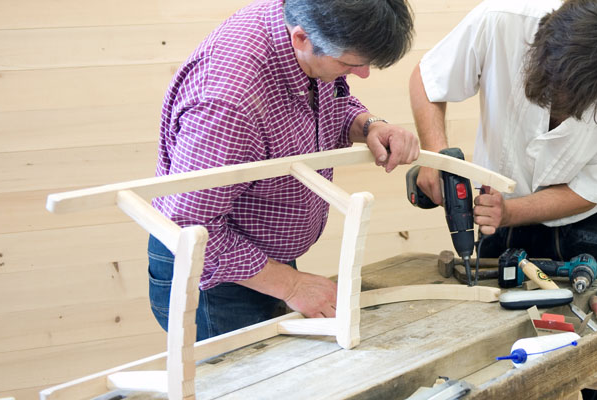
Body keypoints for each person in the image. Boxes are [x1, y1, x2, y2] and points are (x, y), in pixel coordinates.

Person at [409, 0, 597, 398]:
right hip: (498, 221)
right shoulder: (501, 21)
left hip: (587, 223)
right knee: (501, 368)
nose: (556, 106)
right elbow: (426, 79)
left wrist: (511, 212)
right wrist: (435, 156)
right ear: (539, 52)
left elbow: (590, 191)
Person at [148, 0, 418, 341]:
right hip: (212, 281)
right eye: (351, 64)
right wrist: (291, 285)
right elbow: (188, 229)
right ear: (302, 40)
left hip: (258, 259)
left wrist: (369, 125)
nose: (363, 73)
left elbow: (327, 100)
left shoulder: (305, 19)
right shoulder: (228, 101)